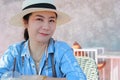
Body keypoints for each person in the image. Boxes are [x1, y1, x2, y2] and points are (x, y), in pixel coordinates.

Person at [0, 0, 86, 80]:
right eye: (39, 19)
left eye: (51, 20)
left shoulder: (62, 50)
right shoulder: (14, 52)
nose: (46, 27)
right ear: (25, 22)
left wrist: (40, 78)